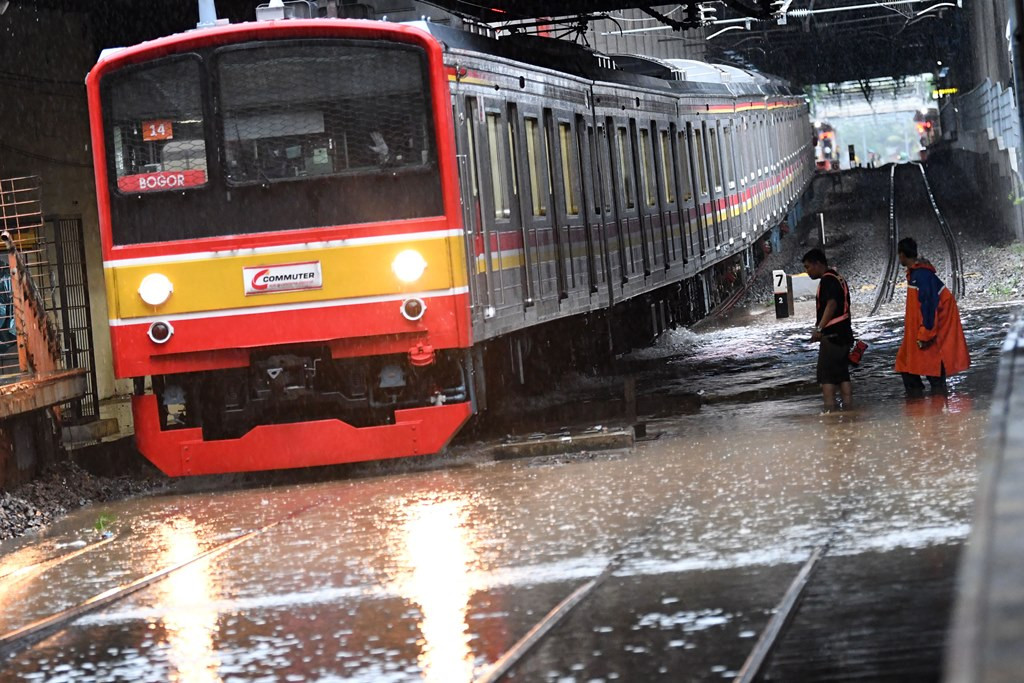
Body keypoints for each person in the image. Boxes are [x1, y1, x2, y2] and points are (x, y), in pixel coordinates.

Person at [894, 237, 969, 396]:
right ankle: (935, 409)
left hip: (926, 333)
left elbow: (929, 307)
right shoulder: (920, 274)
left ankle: (922, 407)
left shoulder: (920, 276)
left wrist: (925, 333)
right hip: (923, 332)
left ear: (902, 255)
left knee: (923, 369)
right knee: (914, 368)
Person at [803, 249, 854, 412]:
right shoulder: (838, 278)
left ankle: (830, 413)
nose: (807, 272)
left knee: (827, 378)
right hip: (844, 334)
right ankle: (848, 409)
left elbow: (831, 305)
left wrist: (819, 329)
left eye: (808, 267)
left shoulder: (827, 281)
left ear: (818, 264)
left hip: (832, 337)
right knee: (843, 374)